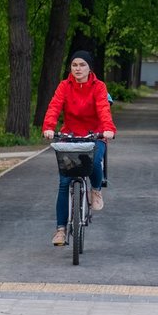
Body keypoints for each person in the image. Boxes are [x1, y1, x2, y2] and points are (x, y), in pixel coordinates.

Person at [42, 50, 116, 246]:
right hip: (70, 135)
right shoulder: (64, 86)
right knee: (65, 181)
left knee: (94, 163)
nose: (78, 69)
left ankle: (96, 190)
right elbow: (54, 106)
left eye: (82, 65)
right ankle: (60, 230)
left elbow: (103, 108)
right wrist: (49, 127)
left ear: (89, 67)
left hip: (95, 134)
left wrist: (108, 129)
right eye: (74, 65)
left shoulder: (99, 87)